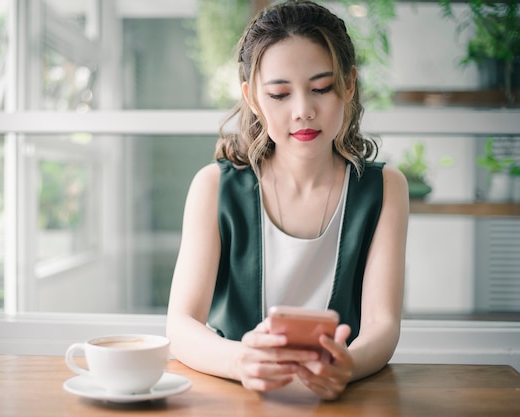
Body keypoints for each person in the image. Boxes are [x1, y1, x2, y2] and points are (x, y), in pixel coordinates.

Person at [166, 0, 408, 401]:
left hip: (340, 403)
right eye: (279, 94)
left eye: (321, 88)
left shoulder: (385, 188)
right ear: (252, 97)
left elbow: (382, 326)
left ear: (349, 84)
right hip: (234, 400)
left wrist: (348, 365)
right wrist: (240, 360)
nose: (303, 111)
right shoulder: (214, 186)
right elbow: (181, 324)